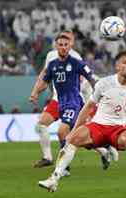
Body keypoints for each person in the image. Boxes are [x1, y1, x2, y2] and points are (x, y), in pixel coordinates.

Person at [38, 51, 126, 198]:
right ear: (117, 66)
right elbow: (88, 108)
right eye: (125, 62)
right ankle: (54, 179)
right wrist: (74, 130)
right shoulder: (104, 83)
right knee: (71, 139)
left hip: (120, 129)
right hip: (98, 126)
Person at [30, 34, 95, 174]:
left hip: (74, 102)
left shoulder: (76, 60)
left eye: (66, 44)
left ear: (71, 44)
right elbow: (45, 79)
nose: (64, 47)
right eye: (61, 44)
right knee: (47, 128)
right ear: (56, 45)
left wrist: (94, 95)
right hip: (58, 102)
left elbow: (88, 78)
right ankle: (49, 158)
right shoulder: (52, 61)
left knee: (65, 132)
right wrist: (35, 92)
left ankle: (65, 166)